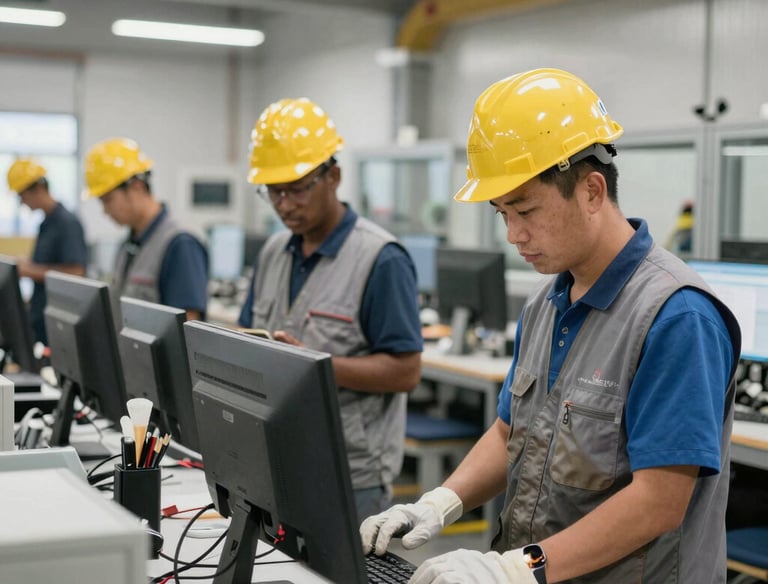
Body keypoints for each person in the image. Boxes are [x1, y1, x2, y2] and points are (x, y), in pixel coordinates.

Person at [360, 68, 741, 583]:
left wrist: (520, 568)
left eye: (526, 210)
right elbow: (510, 432)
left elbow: (659, 502)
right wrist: (439, 503)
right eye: (502, 214)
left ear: (590, 191)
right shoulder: (546, 304)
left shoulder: (676, 316)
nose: (514, 234)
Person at [238, 98, 423, 521]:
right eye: (273, 192)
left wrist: (313, 364)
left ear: (333, 176)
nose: (284, 204)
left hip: (349, 473)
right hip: (274, 455)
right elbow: (248, 335)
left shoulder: (380, 259)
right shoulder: (272, 253)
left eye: (297, 188)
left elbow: (405, 371)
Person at [83, 137, 208, 321]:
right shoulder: (129, 243)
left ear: (136, 187)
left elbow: (188, 330)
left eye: (107, 200)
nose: (105, 211)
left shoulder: (180, 244)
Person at [6, 159, 88, 345]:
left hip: (60, 325)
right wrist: (27, 263)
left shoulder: (67, 223)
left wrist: (27, 270)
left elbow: (76, 272)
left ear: (38, 188)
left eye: (22, 195)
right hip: (42, 319)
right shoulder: (46, 223)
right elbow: (47, 263)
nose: (22, 202)